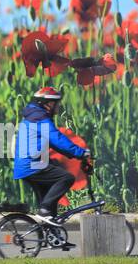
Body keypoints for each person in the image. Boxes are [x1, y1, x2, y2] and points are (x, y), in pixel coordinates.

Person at [12, 87, 89, 226]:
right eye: (55, 103)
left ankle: (51, 237)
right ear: (47, 104)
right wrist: (81, 152)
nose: (58, 107)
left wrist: (72, 154)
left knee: (49, 212)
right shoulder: (40, 119)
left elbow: (55, 144)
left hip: (26, 166)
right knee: (67, 178)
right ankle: (45, 210)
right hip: (32, 166)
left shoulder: (32, 117)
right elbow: (57, 139)